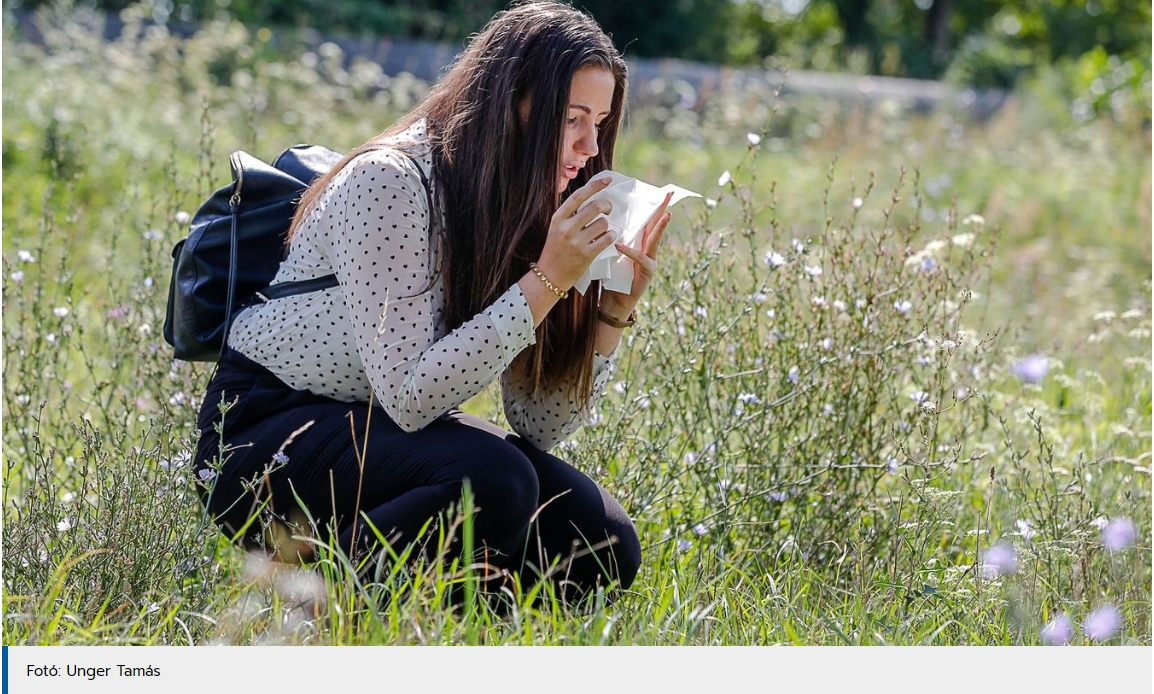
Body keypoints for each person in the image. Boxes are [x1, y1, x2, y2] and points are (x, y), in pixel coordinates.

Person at [193, 0, 673, 603]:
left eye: (600, 123)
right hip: (263, 435)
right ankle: (313, 606)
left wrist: (610, 313)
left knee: (599, 539)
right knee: (492, 478)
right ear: (513, 104)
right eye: (572, 118)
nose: (587, 145)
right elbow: (411, 395)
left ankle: (436, 628)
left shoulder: (525, 200)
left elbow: (537, 424)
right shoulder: (391, 181)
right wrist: (547, 278)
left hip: (375, 428)